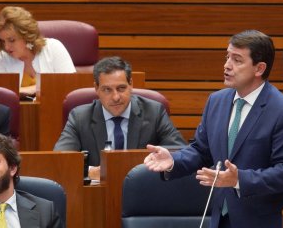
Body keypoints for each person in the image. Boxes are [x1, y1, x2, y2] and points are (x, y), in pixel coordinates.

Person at [144, 30, 283, 228]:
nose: (227, 65)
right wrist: (174, 161)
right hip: (222, 225)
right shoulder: (216, 101)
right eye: (227, 57)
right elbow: (201, 150)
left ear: (259, 68)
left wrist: (239, 180)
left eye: (237, 60)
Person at [54, 56, 187, 179]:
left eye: (121, 88)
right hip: (96, 196)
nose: (116, 97)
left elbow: (181, 153)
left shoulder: (154, 112)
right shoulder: (79, 117)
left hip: (143, 192)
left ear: (131, 84)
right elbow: (60, 164)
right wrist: (89, 172)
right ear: (96, 88)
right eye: (107, 90)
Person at [0, 6, 76, 99]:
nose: (6, 47)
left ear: (27, 36)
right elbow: (4, 97)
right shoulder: (1, 59)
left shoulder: (53, 47)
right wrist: (38, 88)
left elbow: (70, 85)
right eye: (3, 41)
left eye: (12, 40)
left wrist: (30, 90)